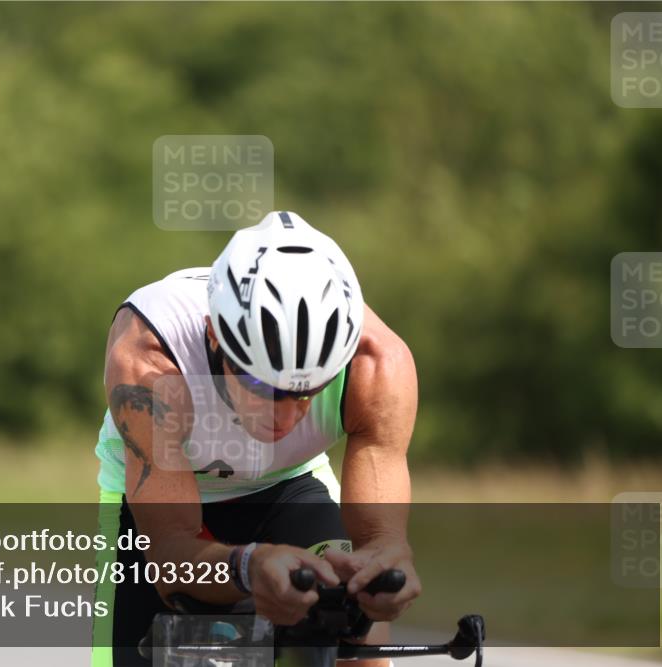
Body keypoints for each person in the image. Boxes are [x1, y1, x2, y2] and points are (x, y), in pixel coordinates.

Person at [92, 211, 420, 667]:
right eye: (262, 385)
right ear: (214, 338)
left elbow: (383, 541)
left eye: (308, 392)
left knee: (358, 632)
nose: (283, 416)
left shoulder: (379, 365)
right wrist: (247, 567)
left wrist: (387, 572)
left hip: (289, 486)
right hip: (165, 507)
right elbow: (169, 554)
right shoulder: (150, 362)